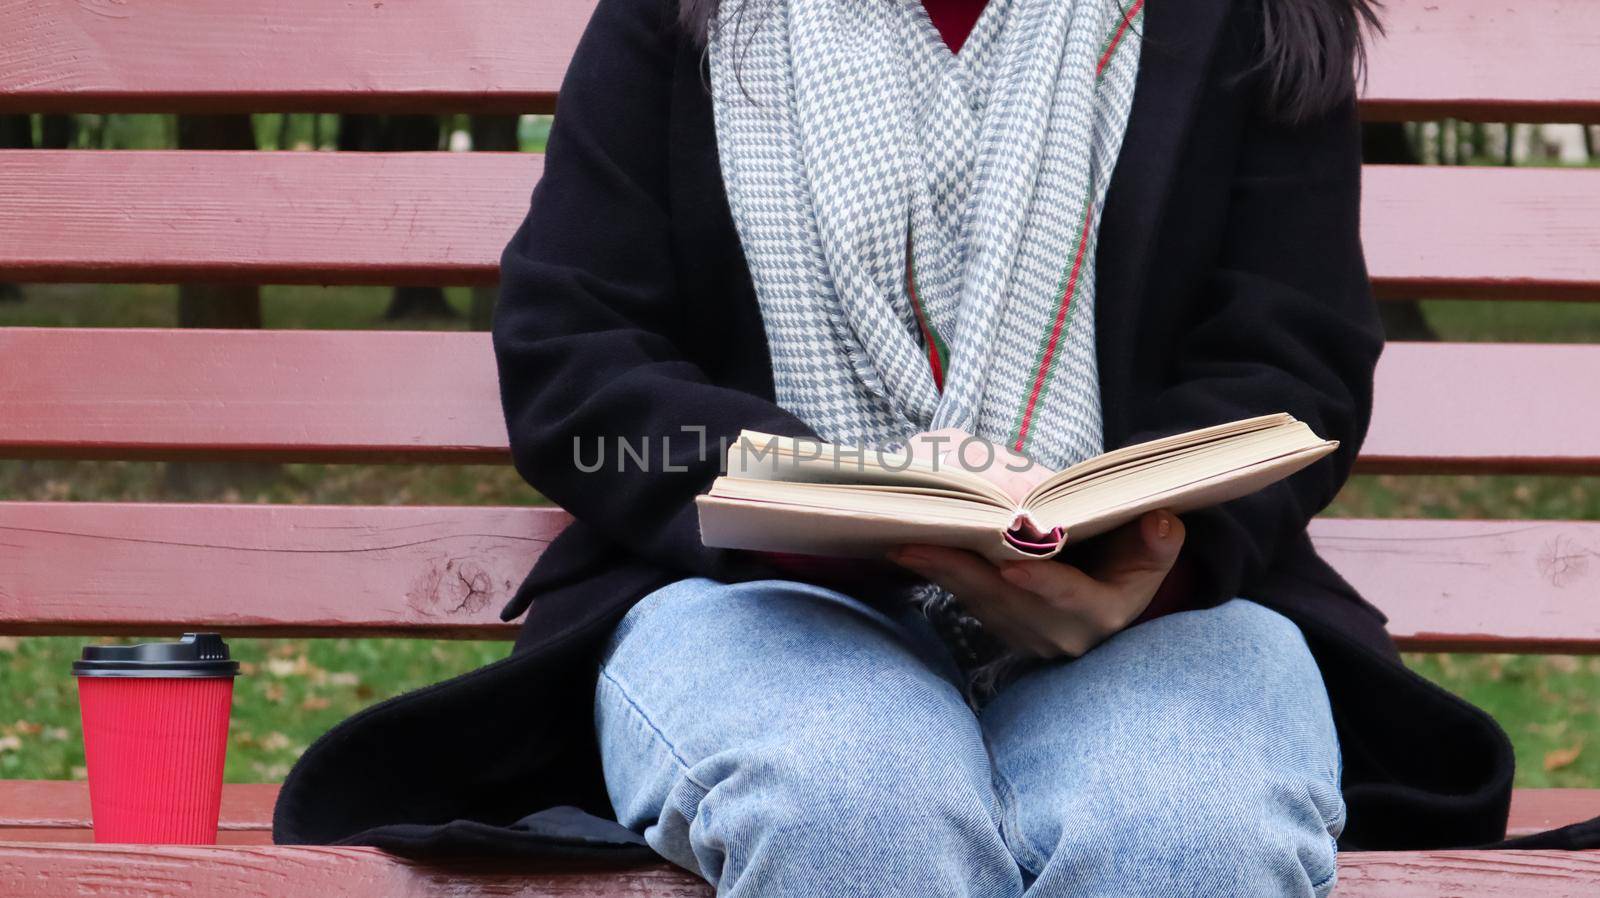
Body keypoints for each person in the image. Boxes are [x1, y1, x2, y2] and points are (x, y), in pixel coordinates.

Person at [274, 0, 1537, 893]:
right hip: (760, 597)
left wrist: (1156, 553)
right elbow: (573, 356)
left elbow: (1293, 361)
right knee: (848, 799)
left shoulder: (1247, 19)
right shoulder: (685, 15)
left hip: (1168, 611)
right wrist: (836, 505)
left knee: (1185, 820)